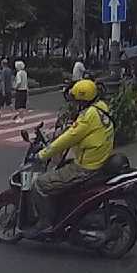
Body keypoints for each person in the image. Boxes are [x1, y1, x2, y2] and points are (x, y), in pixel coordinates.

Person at [24, 79, 114, 237]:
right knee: (62, 167)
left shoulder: (88, 116)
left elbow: (68, 138)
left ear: (82, 100)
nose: (74, 104)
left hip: (85, 167)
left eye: (77, 100)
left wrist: (42, 155)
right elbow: (76, 131)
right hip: (97, 160)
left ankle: (46, 223)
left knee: (40, 184)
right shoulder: (101, 108)